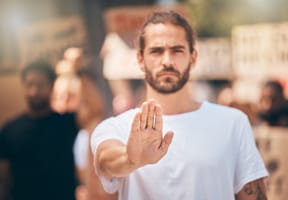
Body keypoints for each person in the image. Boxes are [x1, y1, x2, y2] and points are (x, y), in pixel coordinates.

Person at [91, 11, 268, 200]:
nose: (167, 61)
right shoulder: (116, 127)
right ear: (140, 60)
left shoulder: (233, 123)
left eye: (177, 50)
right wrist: (132, 159)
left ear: (193, 58)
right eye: (156, 51)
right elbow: (104, 162)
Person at [0, 60, 79, 200]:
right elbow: (4, 177)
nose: (34, 91)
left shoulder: (68, 123)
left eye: (40, 85)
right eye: (29, 84)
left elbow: (93, 111)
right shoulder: (10, 130)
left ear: (51, 86)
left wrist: (78, 71)